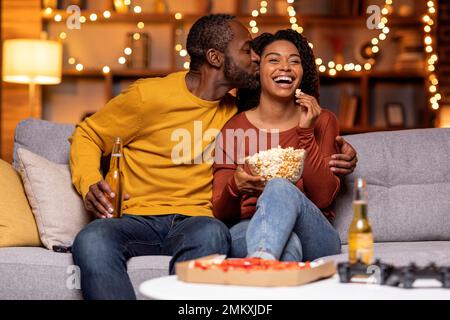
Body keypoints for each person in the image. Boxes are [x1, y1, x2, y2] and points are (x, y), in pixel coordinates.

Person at [70, 15, 357, 299]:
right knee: (91, 239)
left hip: (199, 222)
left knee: (213, 235)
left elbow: (283, 122)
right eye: (247, 50)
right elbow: (88, 134)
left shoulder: (236, 112)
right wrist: (90, 182)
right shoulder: (149, 96)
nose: (255, 58)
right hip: (137, 217)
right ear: (215, 58)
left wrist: (338, 152)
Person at [213, 29, 349, 262]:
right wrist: (236, 186)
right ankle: (264, 263)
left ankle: (259, 263)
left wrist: (306, 132)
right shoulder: (234, 129)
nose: (285, 67)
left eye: (294, 61)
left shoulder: (323, 120)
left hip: (314, 232)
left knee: (279, 186)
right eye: (273, 59)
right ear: (258, 71)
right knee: (288, 245)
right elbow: (221, 212)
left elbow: (323, 197)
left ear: (302, 72)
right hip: (248, 226)